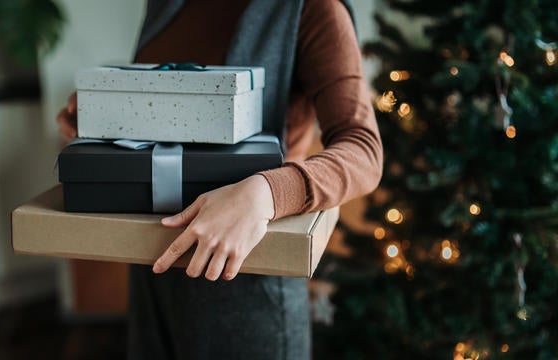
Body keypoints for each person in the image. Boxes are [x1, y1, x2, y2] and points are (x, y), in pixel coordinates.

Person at [57, 0, 383, 358]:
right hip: (153, 264)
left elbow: (364, 150)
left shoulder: (312, 9)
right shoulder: (164, 5)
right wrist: (111, 113)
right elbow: (172, 110)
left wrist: (267, 193)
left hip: (246, 279)